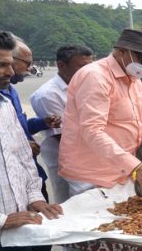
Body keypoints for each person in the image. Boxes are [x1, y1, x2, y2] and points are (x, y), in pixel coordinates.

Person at [59, 28, 142, 197]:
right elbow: (92, 130)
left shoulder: (133, 80)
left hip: (121, 168)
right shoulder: (95, 77)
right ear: (121, 51)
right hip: (92, 174)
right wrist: (135, 166)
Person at [0, 31, 62, 251]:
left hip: (19, 228)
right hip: (0, 229)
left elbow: (23, 160)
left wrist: (35, 198)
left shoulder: (5, 106)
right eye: (1, 64)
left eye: (11, 63)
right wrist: (1, 219)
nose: (10, 71)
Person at [30, 44, 94, 204]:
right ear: (62, 66)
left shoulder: (85, 85)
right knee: (68, 206)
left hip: (90, 154)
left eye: (90, 66)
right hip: (65, 159)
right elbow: (63, 137)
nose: (88, 71)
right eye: (82, 67)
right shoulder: (47, 95)